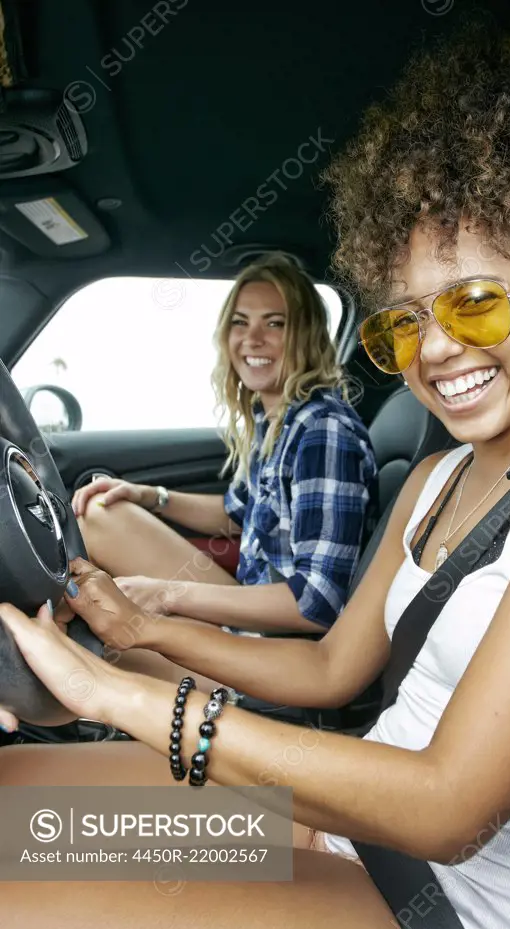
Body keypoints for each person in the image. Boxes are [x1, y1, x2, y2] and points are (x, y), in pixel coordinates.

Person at [0, 25, 510, 929]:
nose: (437, 351)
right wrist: (141, 633)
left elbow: (449, 807)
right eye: (403, 321)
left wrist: (124, 696)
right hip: (348, 837)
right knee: (14, 806)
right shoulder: (437, 476)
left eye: (476, 305)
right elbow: (328, 673)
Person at [69, 253, 377, 643]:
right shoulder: (277, 420)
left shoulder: (323, 431)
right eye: (240, 322)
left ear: (307, 334)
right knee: (101, 513)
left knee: (88, 644)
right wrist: (149, 496)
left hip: (279, 647)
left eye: (275, 323)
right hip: (250, 607)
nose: (253, 338)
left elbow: (317, 603)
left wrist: (169, 595)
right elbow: (238, 514)